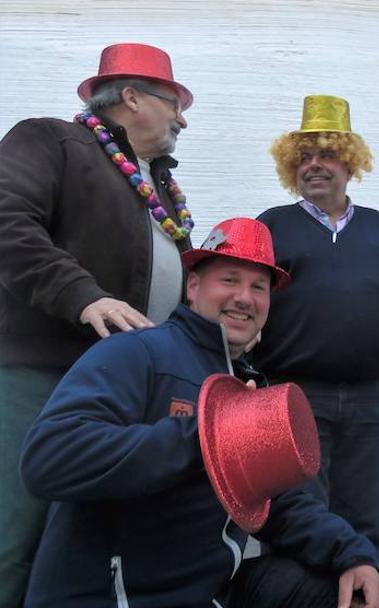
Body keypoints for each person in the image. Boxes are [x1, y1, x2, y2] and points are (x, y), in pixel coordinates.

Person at [19, 218, 379, 607]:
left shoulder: (246, 381)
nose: (244, 297)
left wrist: (352, 553)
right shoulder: (137, 353)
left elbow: (277, 501)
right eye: (229, 280)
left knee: (333, 590)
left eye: (259, 287)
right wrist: (207, 438)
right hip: (115, 598)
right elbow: (47, 457)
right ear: (193, 287)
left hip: (210, 594)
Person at [0, 42, 194, 604]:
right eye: (172, 101)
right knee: (16, 536)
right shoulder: (50, 140)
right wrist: (83, 296)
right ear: (131, 97)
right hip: (41, 376)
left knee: (78, 546)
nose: (182, 117)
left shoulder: (157, 183)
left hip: (121, 389)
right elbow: (7, 221)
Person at [254, 95, 379, 560]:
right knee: (299, 521)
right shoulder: (270, 228)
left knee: (364, 523)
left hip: (371, 401)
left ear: (350, 164)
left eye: (327, 154)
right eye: (304, 157)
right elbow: (244, 306)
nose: (314, 166)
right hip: (293, 396)